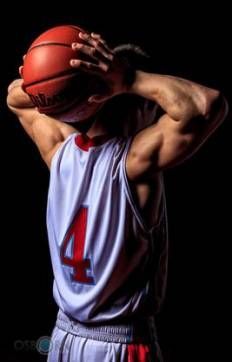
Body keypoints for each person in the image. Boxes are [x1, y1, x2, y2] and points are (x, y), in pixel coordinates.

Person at [7, 30, 228, 362]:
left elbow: (15, 96)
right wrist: (131, 78)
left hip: (63, 337)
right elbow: (206, 105)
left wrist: (43, 73)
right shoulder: (136, 164)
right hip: (119, 345)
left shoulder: (58, 148)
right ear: (142, 100)